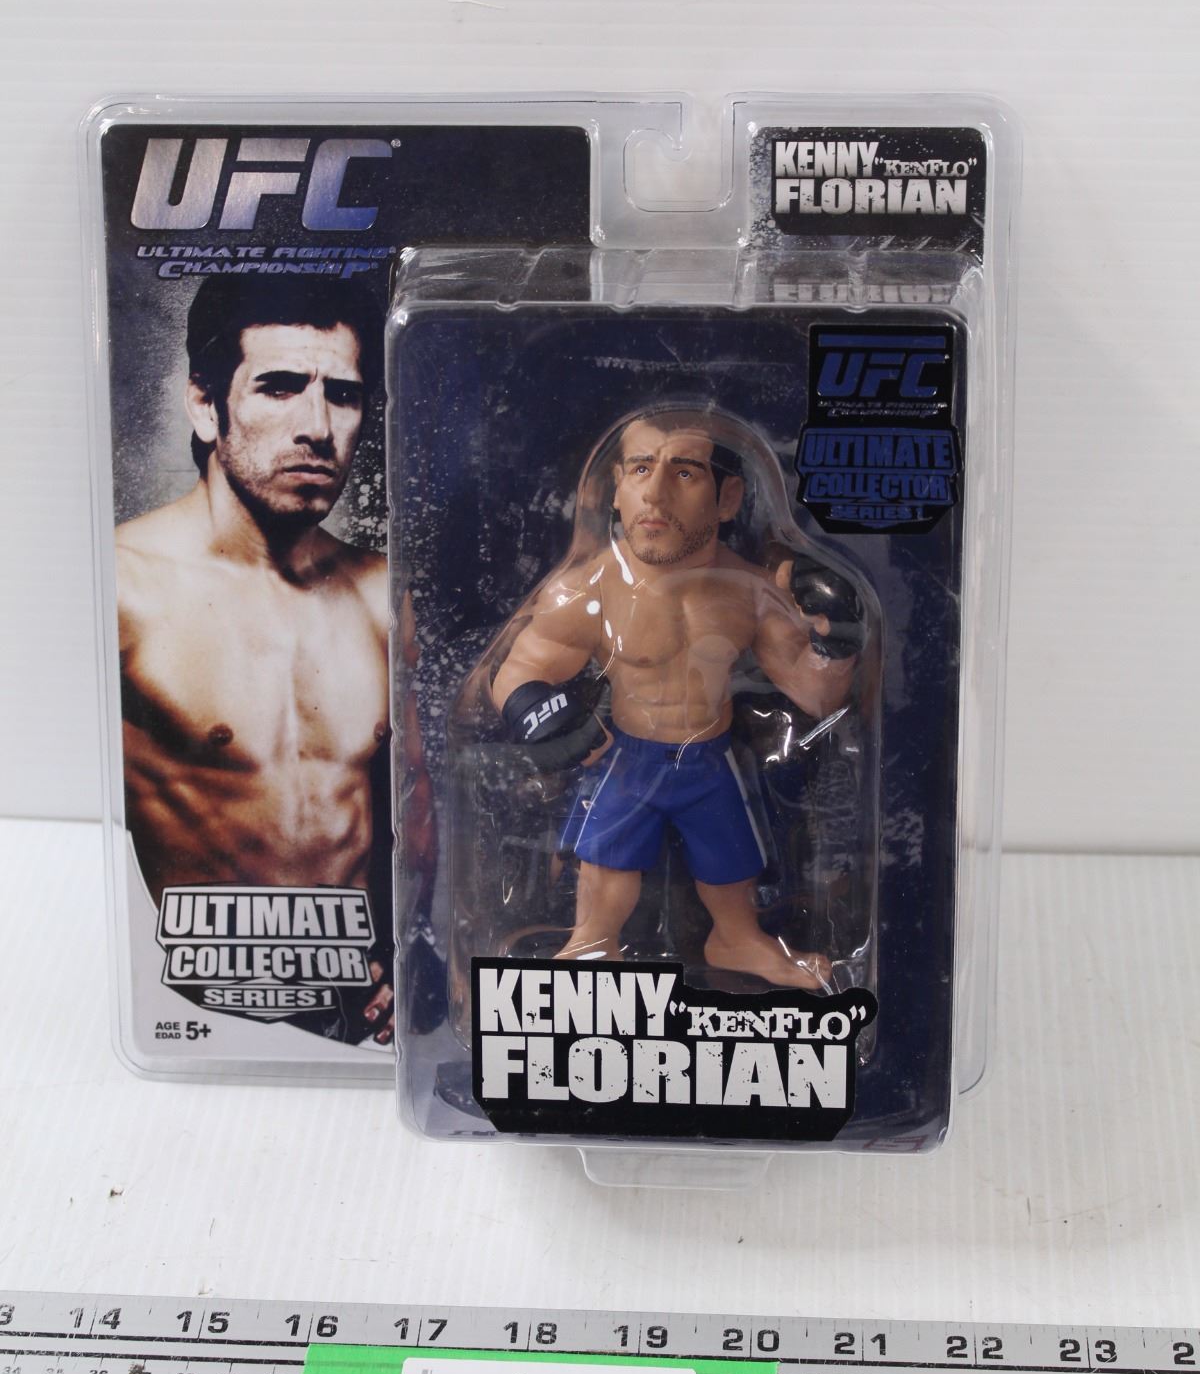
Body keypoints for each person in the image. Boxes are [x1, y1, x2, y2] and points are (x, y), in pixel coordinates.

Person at [116, 274, 425, 1043]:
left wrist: (420, 950)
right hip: (198, 1017)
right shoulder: (122, 588)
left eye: (343, 396)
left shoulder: (386, 596)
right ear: (204, 405)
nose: (317, 427)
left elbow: (428, 812)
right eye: (280, 387)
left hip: (362, 1028)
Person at [490, 407, 865, 990]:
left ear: (728, 498)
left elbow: (814, 693)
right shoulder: (588, 589)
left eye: (685, 472)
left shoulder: (752, 592)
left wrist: (836, 641)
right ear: (617, 488)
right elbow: (519, 668)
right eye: (641, 469)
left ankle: (736, 939)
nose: (655, 494)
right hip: (627, 758)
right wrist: (539, 712)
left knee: (731, 860)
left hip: (711, 759)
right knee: (607, 860)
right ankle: (593, 942)